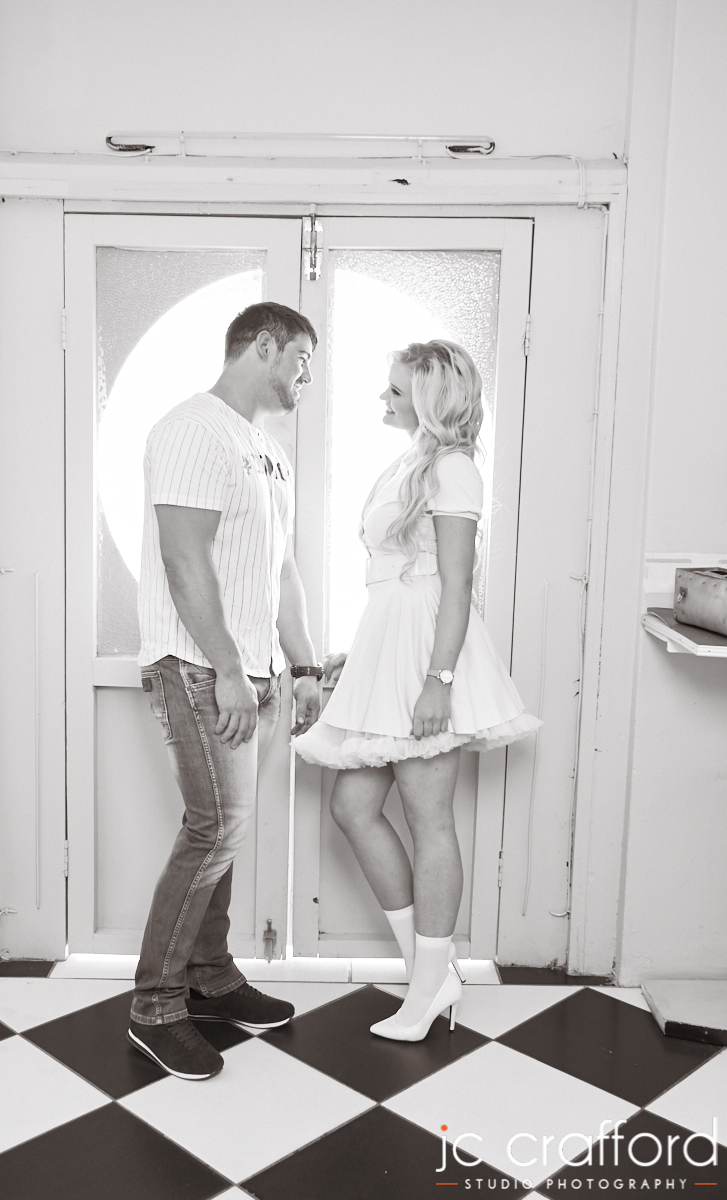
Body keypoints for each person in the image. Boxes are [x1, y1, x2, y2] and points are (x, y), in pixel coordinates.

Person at [294, 339, 540, 1042]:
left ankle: (430, 983)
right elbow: (398, 578)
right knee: (353, 806)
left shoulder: (454, 468)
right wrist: (363, 655)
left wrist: (439, 682)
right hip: (392, 645)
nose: (384, 398)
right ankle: (431, 972)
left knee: (429, 819)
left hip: (430, 657)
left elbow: (456, 585)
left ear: (431, 401)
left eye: (397, 390)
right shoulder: (411, 462)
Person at [128, 301, 324, 1081]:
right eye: (302, 360)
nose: (307, 377)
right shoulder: (192, 430)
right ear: (265, 346)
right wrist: (231, 670)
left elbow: (281, 570)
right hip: (201, 667)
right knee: (215, 828)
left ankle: (210, 976)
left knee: (226, 831)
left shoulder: (266, 451)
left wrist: (303, 669)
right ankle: (156, 1006)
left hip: (256, 674)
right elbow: (184, 560)